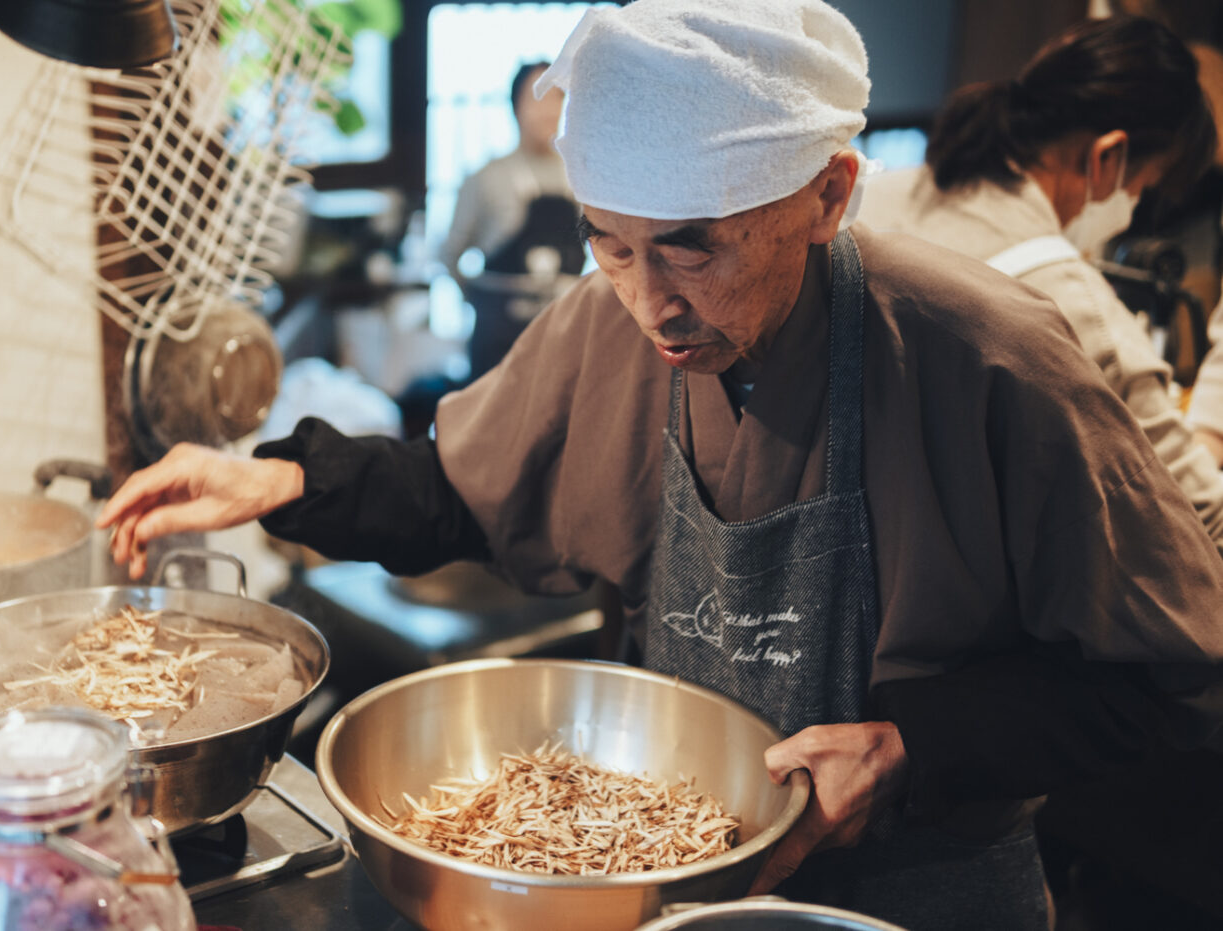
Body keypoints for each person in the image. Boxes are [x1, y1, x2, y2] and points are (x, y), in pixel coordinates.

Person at [98, 2, 1223, 928]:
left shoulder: (987, 358)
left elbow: (1171, 676)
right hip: (666, 862)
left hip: (923, 888)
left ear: (829, 193)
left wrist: (915, 744)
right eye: (609, 239)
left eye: (695, 241)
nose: (649, 303)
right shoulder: (614, 321)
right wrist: (287, 482)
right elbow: (476, 484)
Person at [858, 15, 1223, 553]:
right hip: (971, 617)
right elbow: (1199, 519)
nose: (1134, 208)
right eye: (1142, 189)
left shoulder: (864, 204)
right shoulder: (1072, 306)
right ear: (1107, 158)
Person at [437, 61, 585, 378]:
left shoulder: (580, 177)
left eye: (555, 97)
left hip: (565, 333)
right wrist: (481, 304)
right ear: (515, 106)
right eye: (536, 98)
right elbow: (450, 254)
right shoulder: (487, 178)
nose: (546, 109)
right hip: (500, 340)